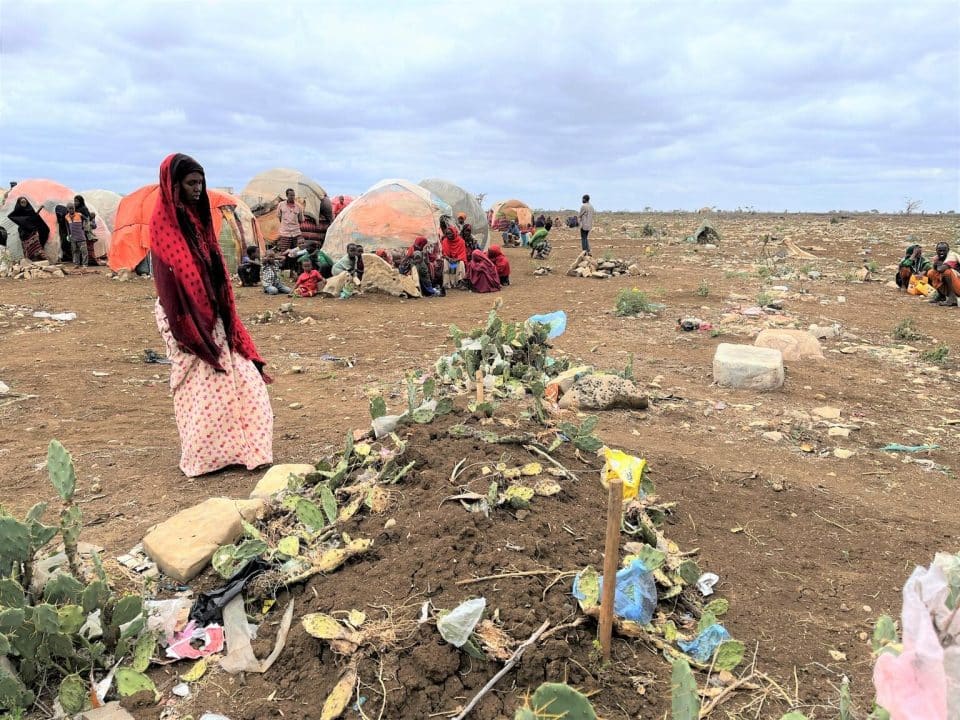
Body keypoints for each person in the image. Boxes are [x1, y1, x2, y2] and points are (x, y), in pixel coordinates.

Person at [149, 152, 273, 477]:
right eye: (191, 183)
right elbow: (171, 284)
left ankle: (247, 449)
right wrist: (191, 328)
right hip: (185, 321)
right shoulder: (164, 229)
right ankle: (204, 458)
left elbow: (210, 268)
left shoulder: (198, 222)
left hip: (214, 317)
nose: (198, 189)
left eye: (201, 182)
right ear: (173, 185)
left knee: (243, 381)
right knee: (202, 391)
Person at [926, 242, 960, 306]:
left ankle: (952, 299)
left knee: (947, 272)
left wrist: (937, 265)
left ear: (948, 250)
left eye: (944, 251)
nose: (941, 253)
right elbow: (935, 269)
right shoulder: (937, 258)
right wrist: (936, 265)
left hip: (958, 285)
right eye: (940, 251)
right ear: (936, 250)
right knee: (931, 273)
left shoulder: (952, 257)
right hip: (953, 285)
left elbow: (941, 269)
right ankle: (941, 295)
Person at [276, 188, 303, 253]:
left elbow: (300, 219)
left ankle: (295, 263)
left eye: (293, 195)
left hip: (296, 233)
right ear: (287, 196)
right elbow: (279, 217)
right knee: (284, 252)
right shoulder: (281, 205)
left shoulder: (298, 206)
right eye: (291, 195)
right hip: (285, 233)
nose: (292, 197)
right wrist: (285, 225)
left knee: (297, 252)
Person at [65, 202, 89, 267]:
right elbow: (67, 226)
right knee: (75, 251)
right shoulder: (66, 217)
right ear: (67, 209)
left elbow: (86, 219)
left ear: (74, 208)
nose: (71, 210)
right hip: (73, 237)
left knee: (84, 251)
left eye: (73, 208)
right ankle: (76, 264)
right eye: (70, 209)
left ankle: (85, 264)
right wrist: (68, 234)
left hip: (81, 236)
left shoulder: (79, 215)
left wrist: (84, 226)